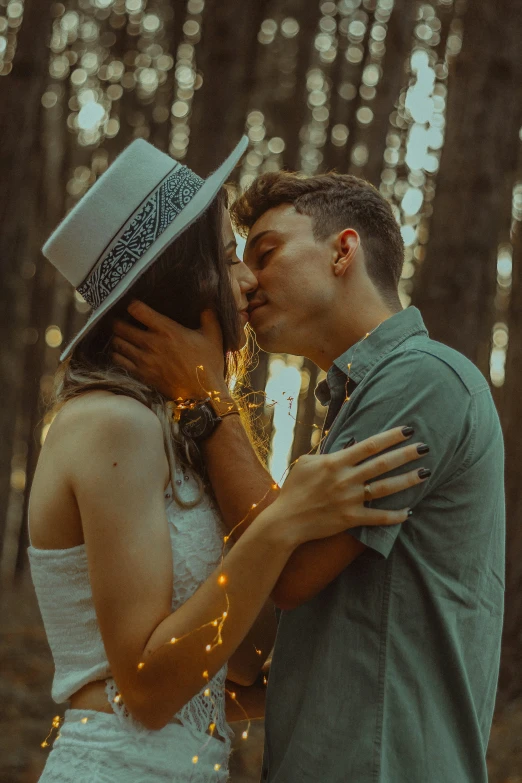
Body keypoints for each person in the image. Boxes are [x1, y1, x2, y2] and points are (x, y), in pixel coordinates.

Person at [28, 138, 427, 783]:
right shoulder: (112, 424)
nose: (248, 279)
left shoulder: (169, 431)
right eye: (226, 255)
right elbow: (151, 692)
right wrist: (284, 519)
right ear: (183, 274)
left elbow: (232, 663)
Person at [113, 170, 505, 783]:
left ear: (343, 250)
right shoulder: (363, 399)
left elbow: (290, 573)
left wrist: (208, 398)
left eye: (265, 254)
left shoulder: (423, 377)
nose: (244, 282)